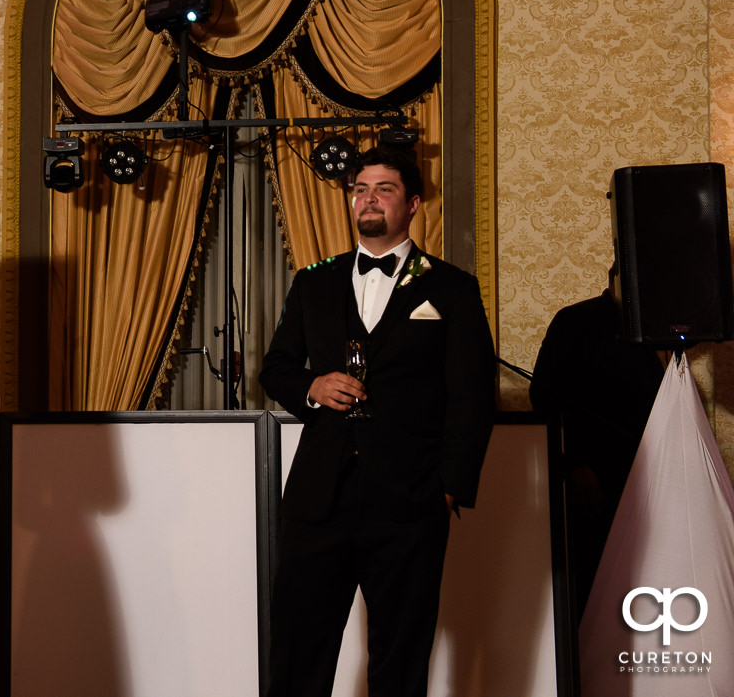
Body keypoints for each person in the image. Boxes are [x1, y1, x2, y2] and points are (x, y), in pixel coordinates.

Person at [259, 145, 496, 697]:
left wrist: (449, 488)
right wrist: (311, 388)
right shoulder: (313, 281)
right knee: (298, 648)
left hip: (411, 499)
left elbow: (472, 395)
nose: (368, 200)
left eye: (383, 190)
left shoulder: (451, 287)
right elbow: (276, 367)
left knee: (400, 653)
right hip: (318, 498)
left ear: (412, 204)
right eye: (360, 190)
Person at [529, 266, 663, 621]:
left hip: (639, 477)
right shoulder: (576, 320)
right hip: (591, 478)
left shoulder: (650, 329)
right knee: (590, 586)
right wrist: (573, 465)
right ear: (616, 280)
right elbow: (545, 395)